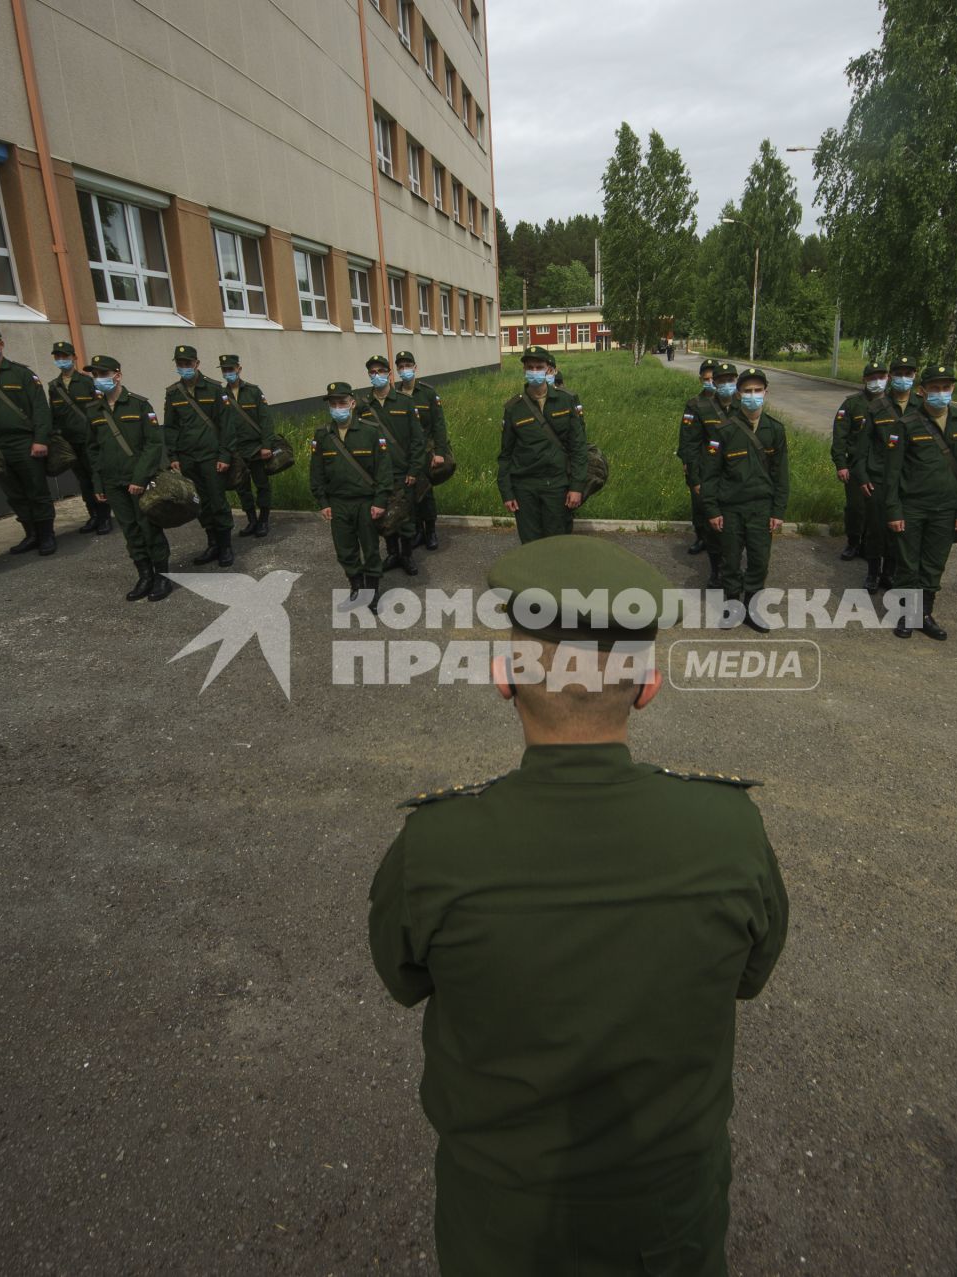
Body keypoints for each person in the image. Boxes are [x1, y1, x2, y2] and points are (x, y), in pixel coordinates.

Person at [368, 534, 788, 1277]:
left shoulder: (434, 846)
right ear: (649, 684)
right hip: (669, 1223)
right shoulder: (731, 831)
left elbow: (403, 979)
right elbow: (749, 977)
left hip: (500, 1226)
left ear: (503, 678)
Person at [881, 362, 957, 640]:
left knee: (934, 564)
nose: (941, 393)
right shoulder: (905, 425)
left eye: (946, 388)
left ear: (952, 389)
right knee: (908, 564)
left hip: (947, 509)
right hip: (912, 507)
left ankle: (924, 614)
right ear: (923, 391)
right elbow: (892, 473)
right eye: (935, 388)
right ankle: (906, 615)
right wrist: (893, 510)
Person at [700, 365, 790, 632]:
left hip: (762, 508)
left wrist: (779, 511)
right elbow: (711, 475)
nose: (753, 395)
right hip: (731, 508)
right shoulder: (724, 430)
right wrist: (713, 510)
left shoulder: (775, 430)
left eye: (758, 390)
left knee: (759, 561)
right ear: (738, 394)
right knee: (730, 561)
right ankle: (732, 607)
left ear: (766, 392)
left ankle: (753, 609)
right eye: (748, 390)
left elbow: (781, 474)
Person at [82, 354, 173, 603]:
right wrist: (98, 483)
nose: (98, 380)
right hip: (112, 482)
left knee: (148, 526)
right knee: (130, 530)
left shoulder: (139, 405)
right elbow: (94, 450)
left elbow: (153, 445)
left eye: (102, 374)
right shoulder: (93, 410)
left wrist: (140, 478)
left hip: (138, 481)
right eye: (95, 376)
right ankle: (144, 574)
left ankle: (162, 575)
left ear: (117, 375)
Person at [0, 324, 57, 556]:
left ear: (0, 344)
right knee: (14, 493)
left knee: (36, 490)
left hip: (24, 442)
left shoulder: (22, 374)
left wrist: (41, 439)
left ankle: (46, 535)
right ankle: (31, 534)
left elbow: (40, 409)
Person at [310, 380, 393, 605]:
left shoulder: (371, 432)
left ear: (353, 403)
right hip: (338, 504)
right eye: (333, 404)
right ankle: (356, 586)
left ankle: (372, 592)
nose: (338, 407)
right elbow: (316, 473)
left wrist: (380, 501)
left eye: (342, 402)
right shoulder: (323, 436)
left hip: (366, 503)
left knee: (371, 549)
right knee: (345, 550)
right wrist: (322, 502)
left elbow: (384, 471)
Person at [160, 344, 242, 568]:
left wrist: (225, 455)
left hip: (211, 457)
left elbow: (227, 425)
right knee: (200, 503)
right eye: (180, 364)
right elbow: (171, 427)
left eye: (188, 363)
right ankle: (212, 543)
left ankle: (225, 546)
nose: (184, 367)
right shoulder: (173, 393)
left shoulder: (214, 389)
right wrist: (173, 456)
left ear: (196, 364)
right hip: (188, 458)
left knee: (217, 501)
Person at [497, 345, 587, 543]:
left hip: (557, 486)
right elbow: (505, 454)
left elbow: (579, 447)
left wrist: (577, 487)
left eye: (539, 367)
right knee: (530, 543)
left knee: (557, 542)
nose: (535, 371)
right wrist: (507, 492)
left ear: (548, 368)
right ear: (524, 370)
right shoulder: (514, 408)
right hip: (525, 488)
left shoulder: (566, 401)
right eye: (530, 367)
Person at [355, 353, 427, 577]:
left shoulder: (405, 403)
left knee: (405, 518)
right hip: (377, 475)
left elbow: (418, 440)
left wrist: (414, 469)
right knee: (384, 516)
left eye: (381, 371)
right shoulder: (363, 406)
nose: (377, 375)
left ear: (389, 373)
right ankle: (392, 553)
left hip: (402, 472)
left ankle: (406, 555)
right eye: (372, 372)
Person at [858, 355, 923, 592]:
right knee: (876, 528)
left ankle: (890, 573)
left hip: (908, 481)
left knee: (900, 530)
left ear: (915, 376)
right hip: (878, 478)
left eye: (908, 374)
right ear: (891, 377)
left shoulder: (921, 406)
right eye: (898, 374)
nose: (903, 378)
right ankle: (873, 573)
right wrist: (862, 476)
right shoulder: (876, 408)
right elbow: (862, 447)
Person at [46, 340, 113, 535]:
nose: (61, 360)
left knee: (96, 478)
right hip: (70, 441)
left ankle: (104, 517)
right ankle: (92, 515)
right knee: (83, 481)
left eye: (65, 356)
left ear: (73, 358)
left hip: (89, 439)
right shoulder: (54, 386)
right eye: (58, 357)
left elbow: (101, 409)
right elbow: (54, 414)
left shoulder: (86, 382)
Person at [394, 350, 452, 552]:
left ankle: (431, 531)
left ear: (415, 367)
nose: (404, 370)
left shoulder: (427, 393)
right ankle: (418, 530)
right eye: (400, 367)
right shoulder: (395, 394)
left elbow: (438, 425)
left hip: (426, 451)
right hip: (405, 454)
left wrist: (440, 452)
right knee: (410, 493)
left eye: (407, 365)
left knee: (426, 492)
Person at [831, 362, 888, 562]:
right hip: (856, 465)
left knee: (879, 510)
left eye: (881, 376)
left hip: (882, 467)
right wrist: (841, 464)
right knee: (856, 508)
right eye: (872, 377)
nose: (877, 381)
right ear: (864, 379)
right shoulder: (852, 404)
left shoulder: (892, 403)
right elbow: (840, 436)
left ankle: (871, 546)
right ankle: (853, 542)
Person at [678, 358, 725, 586]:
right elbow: (688, 441)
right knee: (699, 507)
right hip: (702, 467)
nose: (710, 383)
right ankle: (701, 537)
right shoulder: (694, 404)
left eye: (712, 379)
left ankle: (720, 553)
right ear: (700, 380)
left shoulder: (731, 404)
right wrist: (690, 467)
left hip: (723, 470)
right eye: (705, 379)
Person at [219, 354, 275, 538]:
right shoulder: (220, 395)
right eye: (225, 370)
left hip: (256, 448)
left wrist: (266, 445)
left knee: (262, 484)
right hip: (236, 450)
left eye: (231, 369)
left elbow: (266, 419)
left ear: (239, 369)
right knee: (241, 487)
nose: (228, 373)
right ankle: (252, 520)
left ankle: (264, 520)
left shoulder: (253, 391)